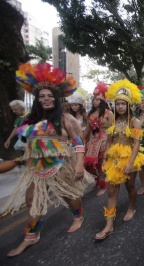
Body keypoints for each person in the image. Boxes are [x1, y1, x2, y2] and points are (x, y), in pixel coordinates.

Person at [4, 63, 93, 257]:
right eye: (42, 96)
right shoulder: (30, 119)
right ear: (37, 100)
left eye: (50, 96)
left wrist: (79, 164)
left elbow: (78, 143)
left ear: (57, 98)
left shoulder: (65, 118)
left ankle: (78, 216)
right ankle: (32, 235)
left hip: (61, 165)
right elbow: (29, 143)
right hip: (36, 167)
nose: (46, 99)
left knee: (70, 196)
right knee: (31, 199)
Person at [95, 79, 144, 240]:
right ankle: (109, 225)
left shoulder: (135, 122)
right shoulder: (114, 121)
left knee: (130, 186)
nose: (120, 107)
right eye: (118, 104)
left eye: (123, 104)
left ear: (129, 105)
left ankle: (131, 208)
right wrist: (104, 159)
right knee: (111, 190)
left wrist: (131, 162)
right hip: (114, 159)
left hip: (129, 158)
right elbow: (109, 141)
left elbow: (137, 144)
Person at [84, 82, 114, 196]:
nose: (95, 101)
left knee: (102, 165)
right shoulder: (90, 113)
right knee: (91, 165)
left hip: (104, 141)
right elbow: (87, 129)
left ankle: (103, 185)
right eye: (94, 99)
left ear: (103, 100)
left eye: (97, 99)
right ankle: (97, 181)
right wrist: (81, 141)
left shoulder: (109, 113)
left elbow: (112, 130)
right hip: (92, 141)